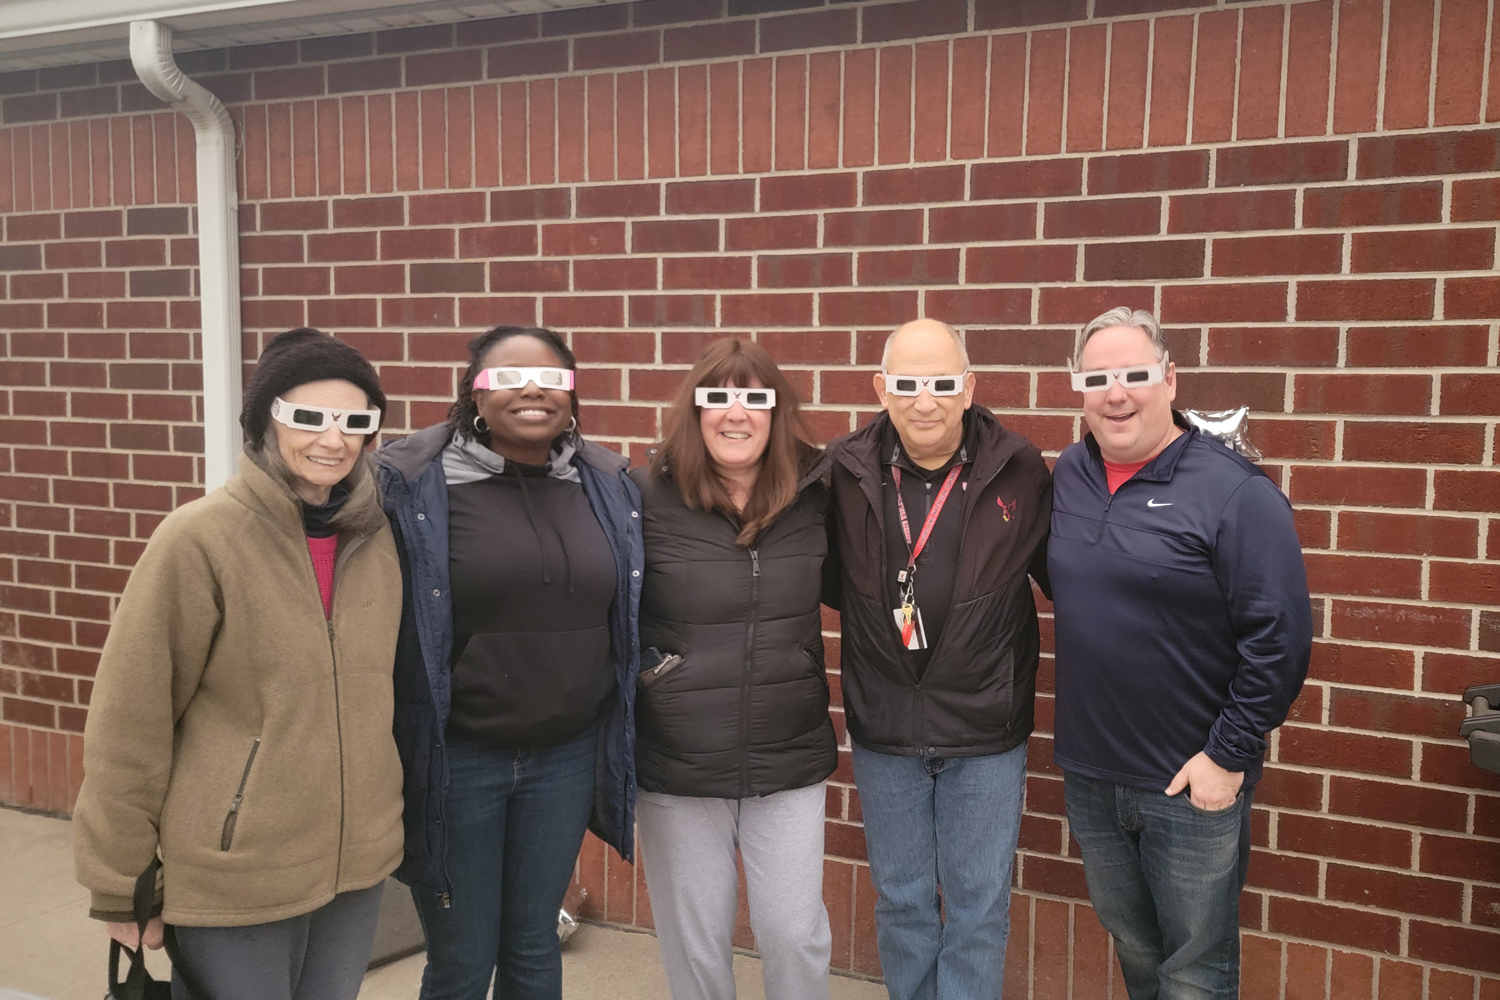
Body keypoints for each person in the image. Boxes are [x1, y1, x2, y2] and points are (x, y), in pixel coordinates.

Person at [73, 328, 404, 999]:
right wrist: (120, 883)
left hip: (356, 866)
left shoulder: (382, 540)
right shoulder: (198, 539)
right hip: (237, 873)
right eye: (307, 418)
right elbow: (130, 717)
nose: (331, 440)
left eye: (354, 421)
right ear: (264, 422)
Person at [1049, 307, 1312, 1000]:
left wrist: (1226, 756)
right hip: (1093, 773)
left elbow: (1279, 641)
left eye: (1135, 374)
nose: (1117, 393)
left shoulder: (1233, 492)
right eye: (1098, 377)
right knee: (1136, 949)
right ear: (1076, 386)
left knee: (1194, 972)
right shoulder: (1069, 475)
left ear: (1170, 380)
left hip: (1190, 784)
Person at [377, 325, 643, 1000]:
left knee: (532, 946)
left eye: (552, 379)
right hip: (459, 759)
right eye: (509, 378)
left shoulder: (606, 482)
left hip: (564, 756)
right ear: (473, 392)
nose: (532, 390)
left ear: (573, 395)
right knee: (463, 961)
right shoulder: (413, 484)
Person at [825, 318, 1052, 1000]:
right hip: (886, 724)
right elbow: (815, 575)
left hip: (985, 730)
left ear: (970, 386)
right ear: (881, 388)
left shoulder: (1020, 468)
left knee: (979, 909)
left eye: (943, 383)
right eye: (908, 384)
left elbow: (1071, 574)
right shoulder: (841, 470)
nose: (926, 401)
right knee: (903, 902)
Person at [630, 338, 838, 1000]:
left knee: (795, 934)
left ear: (778, 413)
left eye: (755, 397)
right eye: (717, 397)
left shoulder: (816, 495)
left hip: (789, 752)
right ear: (693, 412)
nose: (735, 412)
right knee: (696, 944)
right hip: (678, 758)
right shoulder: (641, 497)